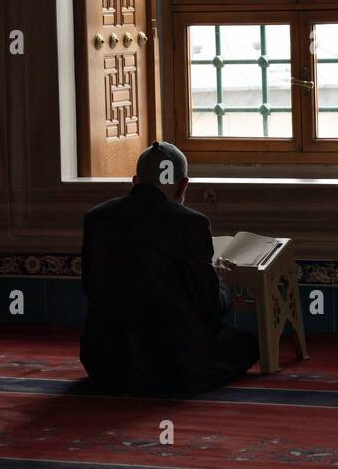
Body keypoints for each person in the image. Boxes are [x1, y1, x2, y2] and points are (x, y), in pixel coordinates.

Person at [80, 140, 259, 394]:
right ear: (183, 185)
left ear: (135, 181)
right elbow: (210, 308)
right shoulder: (191, 224)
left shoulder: (96, 218)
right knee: (246, 343)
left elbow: (92, 288)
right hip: (170, 365)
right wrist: (224, 286)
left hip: (104, 363)